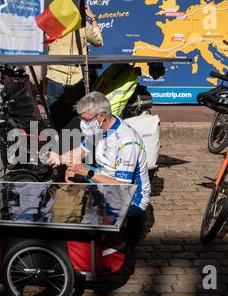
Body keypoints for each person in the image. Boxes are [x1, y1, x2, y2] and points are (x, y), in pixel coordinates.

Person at [47, 91, 151, 245]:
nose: (82, 123)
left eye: (85, 119)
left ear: (101, 116)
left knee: (100, 216)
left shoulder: (127, 141)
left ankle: (104, 243)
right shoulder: (98, 129)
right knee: (70, 170)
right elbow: (80, 153)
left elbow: (123, 186)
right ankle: (74, 214)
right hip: (104, 178)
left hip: (131, 195)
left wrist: (86, 171)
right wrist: (59, 157)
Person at [46, 4, 103, 131]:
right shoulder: (82, 25)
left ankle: (60, 138)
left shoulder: (52, 23)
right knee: (77, 112)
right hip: (76, 76)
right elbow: (98, 41)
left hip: (55, 74)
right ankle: (73, 140)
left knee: (55, 113)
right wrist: (92, 18)